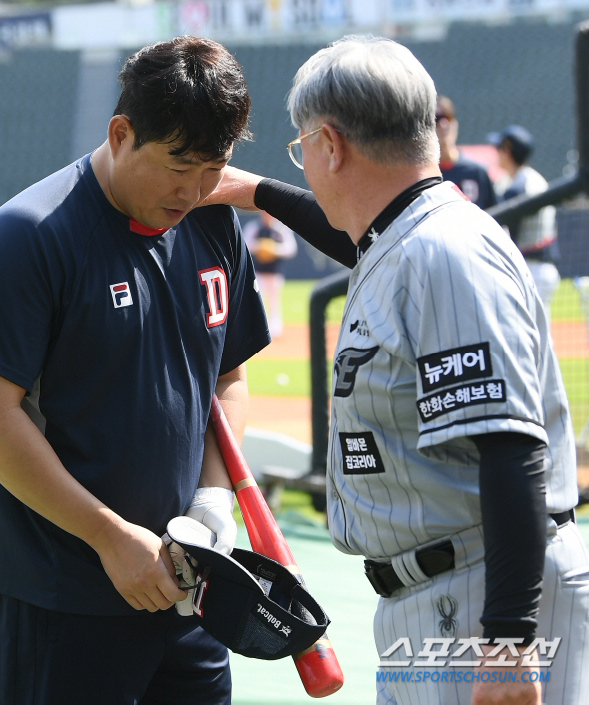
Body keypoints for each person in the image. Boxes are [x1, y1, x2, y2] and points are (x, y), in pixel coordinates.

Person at [202, 35, 589, 705]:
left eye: (302, 148)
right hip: (440, 593)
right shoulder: (412, 235)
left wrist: (508, 640)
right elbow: (351, 237)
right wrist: (253, 191)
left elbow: (511, 447)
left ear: (330, 145)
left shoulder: (442, 254)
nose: (308, 164)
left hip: (480, 603)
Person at [0, 37, 270, 705]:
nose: (197, 188)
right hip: (61, 599)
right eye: (180, 164)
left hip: (188, 594)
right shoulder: (26, 236)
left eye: (215, 166)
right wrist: (108, 536)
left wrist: (212, 500)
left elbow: (226, 375)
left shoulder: (212, 224)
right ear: (121, 134)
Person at [488, 124, 560, 320]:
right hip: (538, 267)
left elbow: (510, 231)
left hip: (532, 269)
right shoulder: (529, 178)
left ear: (508, 150)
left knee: (530, 337)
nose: (497, 154)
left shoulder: (518, 186)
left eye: (499, 149)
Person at [242, 210, 297, 337]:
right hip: (257, 272)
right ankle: (256, 328)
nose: (267, 216)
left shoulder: (281, 229)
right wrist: (259, 247)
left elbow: (291, 249)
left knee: (274, 301)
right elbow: (244, 243)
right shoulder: (254, 227)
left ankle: (275, 330)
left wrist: (273, 249)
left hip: (274, 272)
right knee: (256, 300)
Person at [436, 95, 497, 210]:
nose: (444, 125)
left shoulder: (475, 172)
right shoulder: (423, 175)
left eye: (449, 117)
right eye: (437, 119)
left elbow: (496, 216)